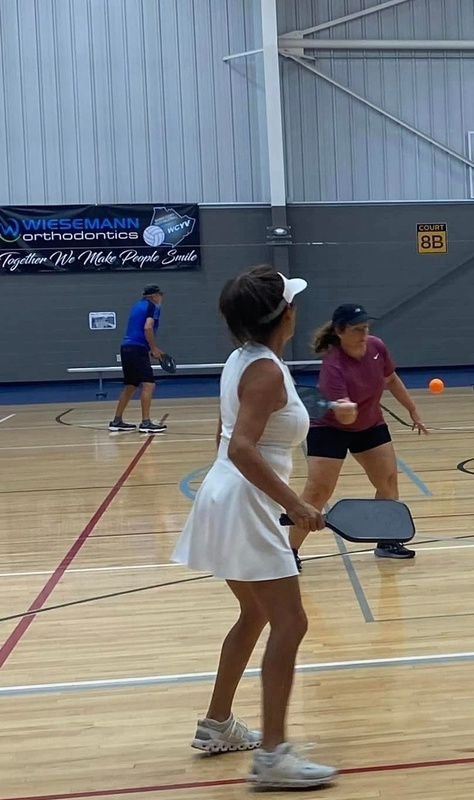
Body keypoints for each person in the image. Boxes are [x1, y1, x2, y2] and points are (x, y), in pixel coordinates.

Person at [171, 266, 340, 790]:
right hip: (246, 499)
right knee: (291, 623)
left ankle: (218, 723)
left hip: (229, 495)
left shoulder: (243, 360)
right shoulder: (265, 370)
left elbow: (225, 438)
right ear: (285, 315)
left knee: (254, 614)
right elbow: (243, 445)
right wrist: (297, 504)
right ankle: (272, 756)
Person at [290, 303, 429, 566]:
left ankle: (386, 540)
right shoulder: (334, 366)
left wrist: (412, 410)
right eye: (357, 329)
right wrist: (345, 410)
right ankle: (289, 552)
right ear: (340, 331)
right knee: (318, 492)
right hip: (330, 430)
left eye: (366, 328)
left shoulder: (377, 347)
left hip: (370, 424)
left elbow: (391, 379)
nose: (364, 334)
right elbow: (345, 417)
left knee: (387, 480)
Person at [109, 285, 167, 433]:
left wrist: (152, 347)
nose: (161, 298)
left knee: (131, 385)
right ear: (154, 296)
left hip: (126, 347)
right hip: (137, 347)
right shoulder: (153, 307)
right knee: (149, 384)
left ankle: (117, 421)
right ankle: (146, 423)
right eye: (160, 295)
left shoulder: (137, 306)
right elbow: (148, 328)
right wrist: (153, 348)